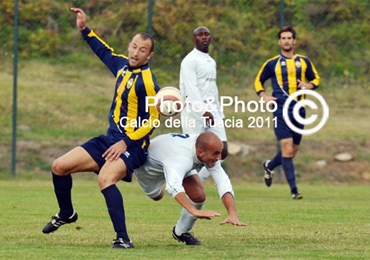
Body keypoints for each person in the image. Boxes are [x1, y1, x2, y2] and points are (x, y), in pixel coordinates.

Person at [41, 7, 160, 249]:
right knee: (59, 167)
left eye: (143, 50)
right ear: (129, 46)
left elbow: (153, 121)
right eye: (134, 46)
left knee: (105, 179)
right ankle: (67, 213)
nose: (136, 52)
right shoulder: (122, 66)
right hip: (109, 140)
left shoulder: (148, 83)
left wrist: (126, 142)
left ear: (150, 56)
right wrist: (84, 28)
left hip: (133, 147)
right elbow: (102, 50)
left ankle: (123, 239)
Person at [135, 131, 246, 246]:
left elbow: (223, 181)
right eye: (216, 153)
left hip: (173, 160)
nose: (219, 157)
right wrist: (194, 211)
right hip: (148, 169)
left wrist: (232, 213)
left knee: (199, 196)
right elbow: (173, 187)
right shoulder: (181, 159)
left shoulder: (204, 148)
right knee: (157, 196)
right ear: (200, 152)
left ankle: (181, 232)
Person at [254, 26, 320, 199]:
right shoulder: (272, 63)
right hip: (280, 110)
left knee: (292, 151)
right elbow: (258, 81)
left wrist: (308, 85)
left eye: (289, 38)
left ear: (294, 41)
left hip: (299, 110)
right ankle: (294, 191)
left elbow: (316, 79)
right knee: (286, 148)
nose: (286, 41)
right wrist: (264, 96)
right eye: (283, 38)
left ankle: (269, 165)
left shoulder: (304, 61)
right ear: (279, 41)